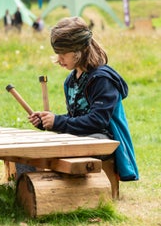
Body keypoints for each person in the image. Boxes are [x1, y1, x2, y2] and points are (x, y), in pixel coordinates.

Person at [28, 16, 139, 182]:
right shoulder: (71, 81)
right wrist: (47, 121)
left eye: (63, 54)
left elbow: (98, 121)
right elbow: (76, 118)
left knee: (57, 147)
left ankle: (56, 187)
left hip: (104, 139)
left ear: (78, 52)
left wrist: (58, 122)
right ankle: (26, 187)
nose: (59, 59)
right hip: (83, 136)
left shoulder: (102, 80)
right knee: (30, 145)